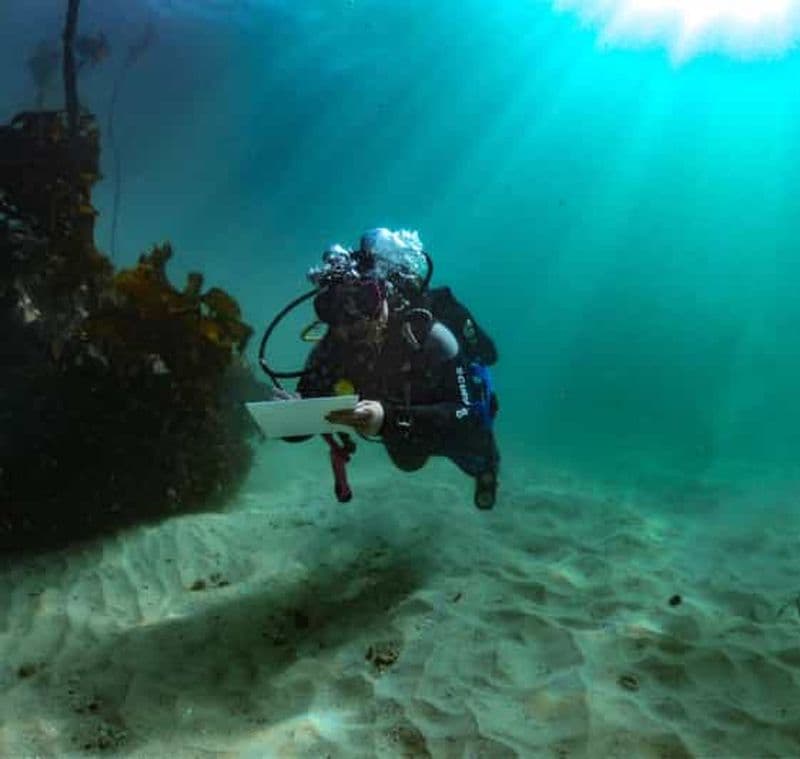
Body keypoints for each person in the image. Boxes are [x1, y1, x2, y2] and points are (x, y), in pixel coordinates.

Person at [281, 228, 500, 509]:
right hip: (399, 423)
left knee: (476, 448)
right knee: (408, 460)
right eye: (333, 307)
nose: (352, 320)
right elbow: (308, 411)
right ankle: (400, 428)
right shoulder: (332, 347)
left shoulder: (427, 334)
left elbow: (465, 414)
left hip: (445, 412)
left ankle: (487, 470)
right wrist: (292, 416)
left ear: (384, 294)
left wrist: (388, 418)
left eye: (364, 301)